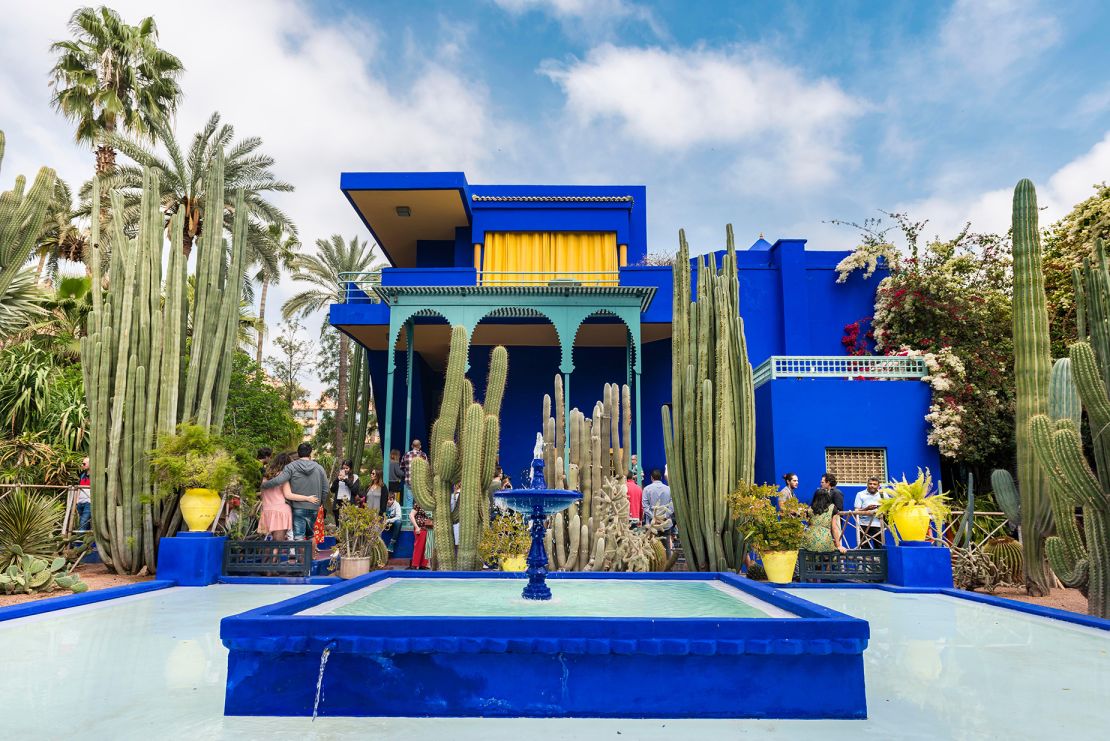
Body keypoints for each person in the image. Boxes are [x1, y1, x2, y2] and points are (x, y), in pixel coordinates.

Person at [259, 442, 327, 544]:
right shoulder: (319, 468)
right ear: (310, 454)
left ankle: (300, 559)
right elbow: (325, 489)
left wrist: (263, 485)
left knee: (298, 536)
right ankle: (311, 558)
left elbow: (278, 481)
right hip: (314, 505)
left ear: (298, 453)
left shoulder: (291, 467)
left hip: (297, 506)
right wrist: (320, 502)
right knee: (311, 535)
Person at [259, 453, 297, 540]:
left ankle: (270, 554)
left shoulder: (266, 476)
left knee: (273, 542)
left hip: (267, 510)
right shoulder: (284, 476)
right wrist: (307, 498)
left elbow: (262, 494)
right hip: (281, 511)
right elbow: (288, 495)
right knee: (278, 543)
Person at [801, 488, 847, 554]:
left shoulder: (810, 509)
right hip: (825, 539)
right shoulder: (832, 508)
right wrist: (839, 545)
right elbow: (834, 528)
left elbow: (809, 523)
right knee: (830, 558)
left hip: (809, 539)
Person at [642, 469, 674, 550]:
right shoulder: (669, 489)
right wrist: (664, 517)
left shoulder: (646, 489)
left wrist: (654, 518)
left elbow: (645, 506)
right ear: (661, 478)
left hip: (652, 524)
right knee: (667, 548)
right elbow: (672, 506)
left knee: (652, 549)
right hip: (665, 523)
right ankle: (668, 562)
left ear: (651, 478)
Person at [853, 477, 885, 548]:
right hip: (863, 524)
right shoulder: (860, 494)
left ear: (878, 486)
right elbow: (856, 512)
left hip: (878, 524)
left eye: (874, 484)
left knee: (879, 547)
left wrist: (881, 510)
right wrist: (867, 508)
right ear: (867, 484)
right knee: (864, 547)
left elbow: (888, 508)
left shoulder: (883, 494)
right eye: (870, 484)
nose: (872, 486)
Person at [400, 439, 428, 508]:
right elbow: (427, 468)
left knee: (409, 500)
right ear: (420, 446)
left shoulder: (406, 454)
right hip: (420, 482)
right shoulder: (423, 455)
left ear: (412, 446)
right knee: (419, 501)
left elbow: (401, 466)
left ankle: (408, 518)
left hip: (409, 481)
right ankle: (417, 517)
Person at [409, 502, 433, 569]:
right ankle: (415, 564)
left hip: (430, 528)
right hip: (420, 528)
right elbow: (411, 515)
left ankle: (424, 565)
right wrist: (416, 527)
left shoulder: (431, 503)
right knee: (419, 547)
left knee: (427, 547)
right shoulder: (419, 503)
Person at [75, 456, 91, 532]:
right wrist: (77, 501)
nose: (82, 465)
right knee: (86, 523)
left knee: (83, 523)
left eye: (84, 464)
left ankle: (79, 542)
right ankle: (88, 541)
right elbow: (79, 488)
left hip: (89, 503)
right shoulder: (82, 474)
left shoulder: (95, 476)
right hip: (80, 503)